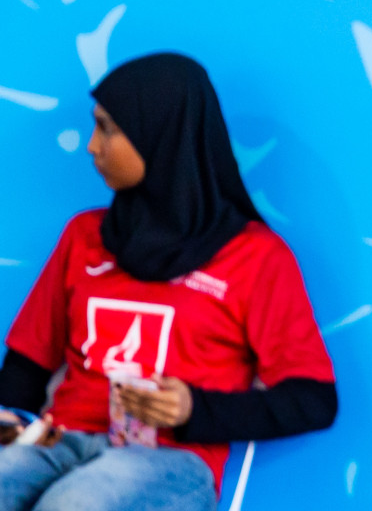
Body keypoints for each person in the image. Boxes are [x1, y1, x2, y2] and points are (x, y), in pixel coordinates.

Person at [0, 54, 337, 511]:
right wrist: (11, 421)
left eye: (108, 129)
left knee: (73, 505)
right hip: (63, 441)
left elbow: (313, 399)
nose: (91, 146)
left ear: (160, 137)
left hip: (171, 460)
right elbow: (26, 364)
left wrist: (195, 410)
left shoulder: (256, 257)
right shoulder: (85, 236)